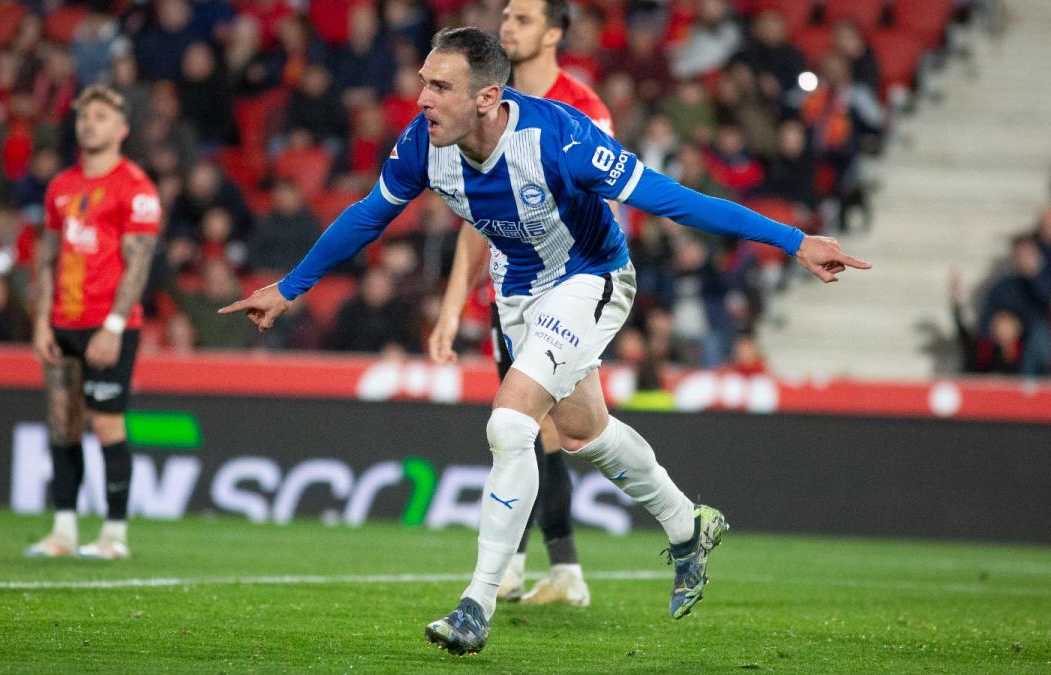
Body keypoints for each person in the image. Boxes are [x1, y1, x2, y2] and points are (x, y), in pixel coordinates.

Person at [220, 27, 868, 655]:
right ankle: (687, 523)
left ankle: (475, 602)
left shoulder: (558, 137)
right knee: (583, 429)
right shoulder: (424, 141)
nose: (421, 99)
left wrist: (793, 240)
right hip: (519, 288)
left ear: (486, 98)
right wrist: (289, 287)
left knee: (510, 422)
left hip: (593, 277)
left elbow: (673, 200)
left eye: (439, 86)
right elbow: (367, 214)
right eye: (422, 82)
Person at [429, 0, 616, 609]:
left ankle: (533, 568)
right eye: (507, 16)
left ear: (555, 33)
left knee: (554, 426)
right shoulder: (478, 108)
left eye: (526, 19)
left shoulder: (580, 107)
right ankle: (551, 569)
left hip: (566, 285)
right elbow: (472, 213)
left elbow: (603, 202)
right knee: (533, 428)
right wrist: (453, 305)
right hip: (508, 289)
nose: (509, 27)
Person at [25, 85, 162, 561]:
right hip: (62, 320)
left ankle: (114, 534)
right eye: (85, 116)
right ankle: (63, 530)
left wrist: (115, 324)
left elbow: (139, 263)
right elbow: (48, 259)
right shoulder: (60, 187)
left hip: (109, 324)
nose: (90, 124)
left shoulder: (136, 188)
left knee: (107, 424)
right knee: (62, 424)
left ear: (121, 129)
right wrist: (42, 322)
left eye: (101, 116)